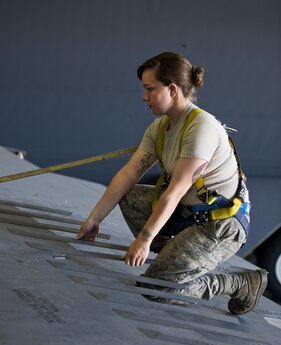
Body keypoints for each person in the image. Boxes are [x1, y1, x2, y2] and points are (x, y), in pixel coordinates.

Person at [76, 52, 268, 314]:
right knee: (130, 197)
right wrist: (94, 218)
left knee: (156, 288)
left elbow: (177, 189)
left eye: (150, 89)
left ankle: (237, 282)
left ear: (173, 89)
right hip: (187, 215)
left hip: (220, 224)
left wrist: (144, 239)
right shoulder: (160, 128)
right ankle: (178, 258)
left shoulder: (202, 127)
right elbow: (129, 173)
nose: (144, 97)